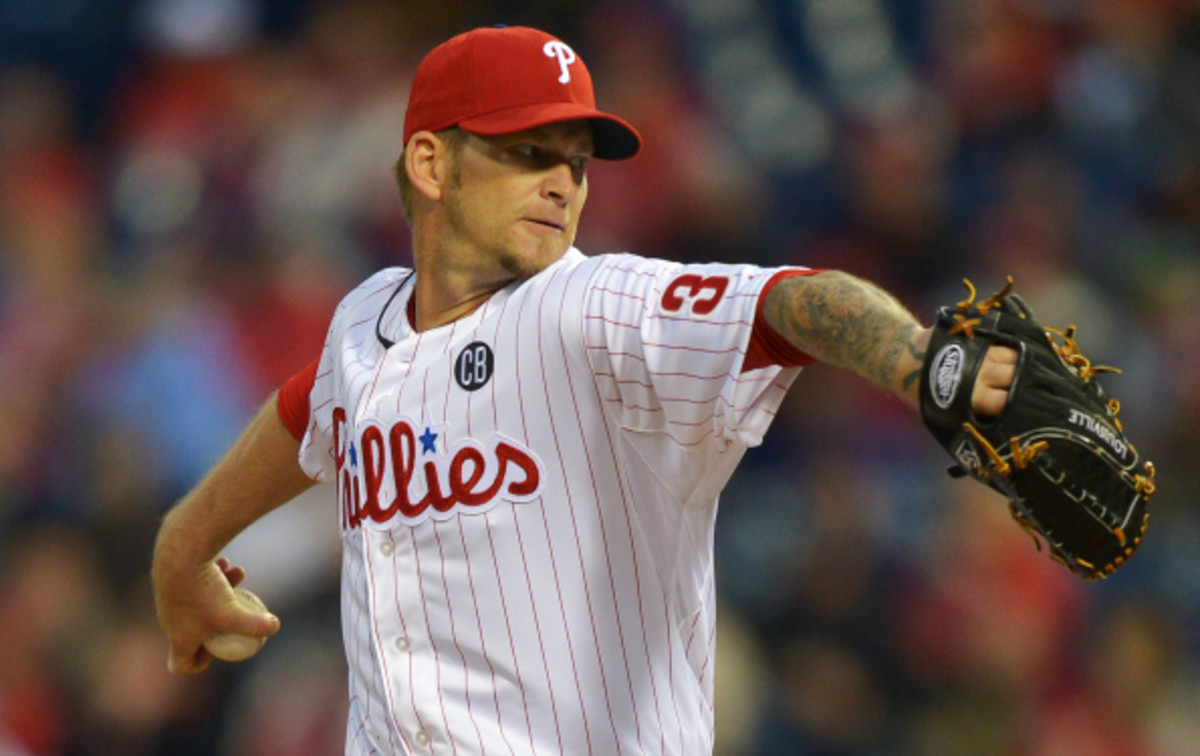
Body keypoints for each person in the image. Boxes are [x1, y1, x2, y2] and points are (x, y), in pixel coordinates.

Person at [152, 25, 1017, 755]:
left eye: (576, 161)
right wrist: (183, 548)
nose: (563, 182)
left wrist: (916, 359)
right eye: (528, 152)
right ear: (429, 162)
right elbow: (309, 415)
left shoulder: (593, 306)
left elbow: (789, 300)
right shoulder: (366, 319)